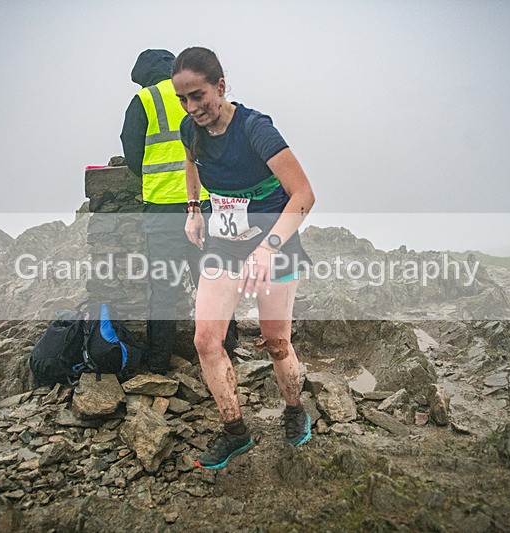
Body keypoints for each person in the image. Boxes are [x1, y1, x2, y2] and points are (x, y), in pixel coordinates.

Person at [172, 47, 316, 469]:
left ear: (220, 86)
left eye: (198, 96)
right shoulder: (189, 127)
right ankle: (236, 431)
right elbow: (191, 162)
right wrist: (194, 210)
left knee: (276, 341)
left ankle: (294, 410)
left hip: (275, 242)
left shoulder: (256, 130)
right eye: (183, 99)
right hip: (224, 243)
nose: (192, 107)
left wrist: (267, 248)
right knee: (205, 340)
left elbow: (304, 195)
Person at [121, 49, 238, 375]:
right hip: (205, 204)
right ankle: (229, 348)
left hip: (162, 209)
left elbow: (132, 153)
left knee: (164, 286)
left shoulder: (144, 100)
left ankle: (158, 362)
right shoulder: (193, 95)